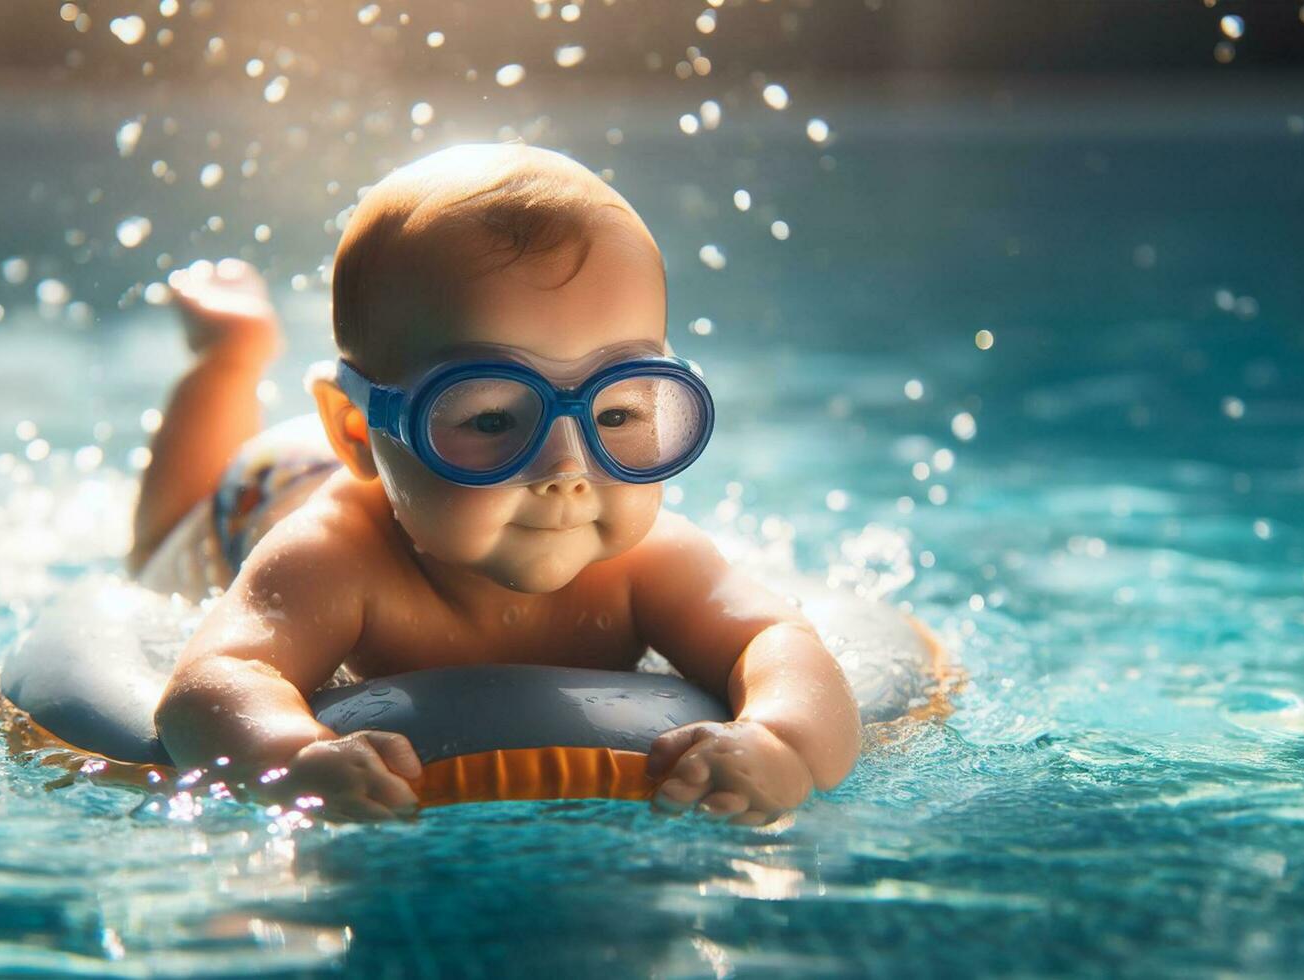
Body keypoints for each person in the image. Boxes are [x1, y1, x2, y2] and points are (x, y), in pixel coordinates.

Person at [139, 141, 861, 825]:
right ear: (360, 431)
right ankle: (229, 360)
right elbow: (211, 680)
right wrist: (290, 760)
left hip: (409, 466)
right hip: (273, 486)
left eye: (616, 410)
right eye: (490, 419)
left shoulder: (649, 562)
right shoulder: (334, 559)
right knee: (159, 548)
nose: (568, 469)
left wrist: (783, 744)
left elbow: (778, 643)